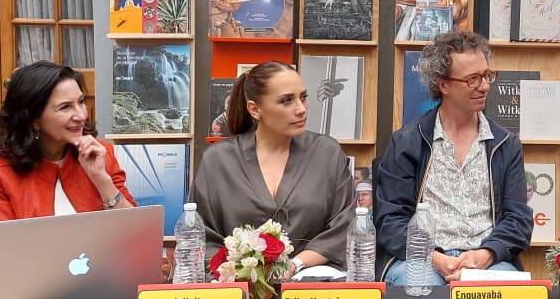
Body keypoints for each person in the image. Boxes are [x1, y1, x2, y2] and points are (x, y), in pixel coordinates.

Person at [0, 61, 136, 299]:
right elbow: (3, 254)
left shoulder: (101, 154)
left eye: (81, 102)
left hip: (98, 292)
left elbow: (134, 237)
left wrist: (101, 179)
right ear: (33, 118)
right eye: (65, 107)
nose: (80, 115)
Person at [374, 31, 533, 284]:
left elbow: (518, 220)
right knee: (422, 288)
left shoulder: (506, 144)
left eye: (487, 75)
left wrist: (485, 255)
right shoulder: (406, 142)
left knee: (509, 292)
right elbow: (390, 221)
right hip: (422, 259)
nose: (484, 86)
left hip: (487, 260)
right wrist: (434, 258)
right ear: (443, 85)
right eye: (472, 79)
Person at [192, 61, 354, 278]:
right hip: (238, 284)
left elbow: (344, 227)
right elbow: (201, 237)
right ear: (254, 109)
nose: (301, 109)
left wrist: (294, 264)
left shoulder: (327, 152)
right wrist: (245, 273)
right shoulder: (217, 160)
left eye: (303, 97)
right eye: (286, 101)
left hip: (314, 284)